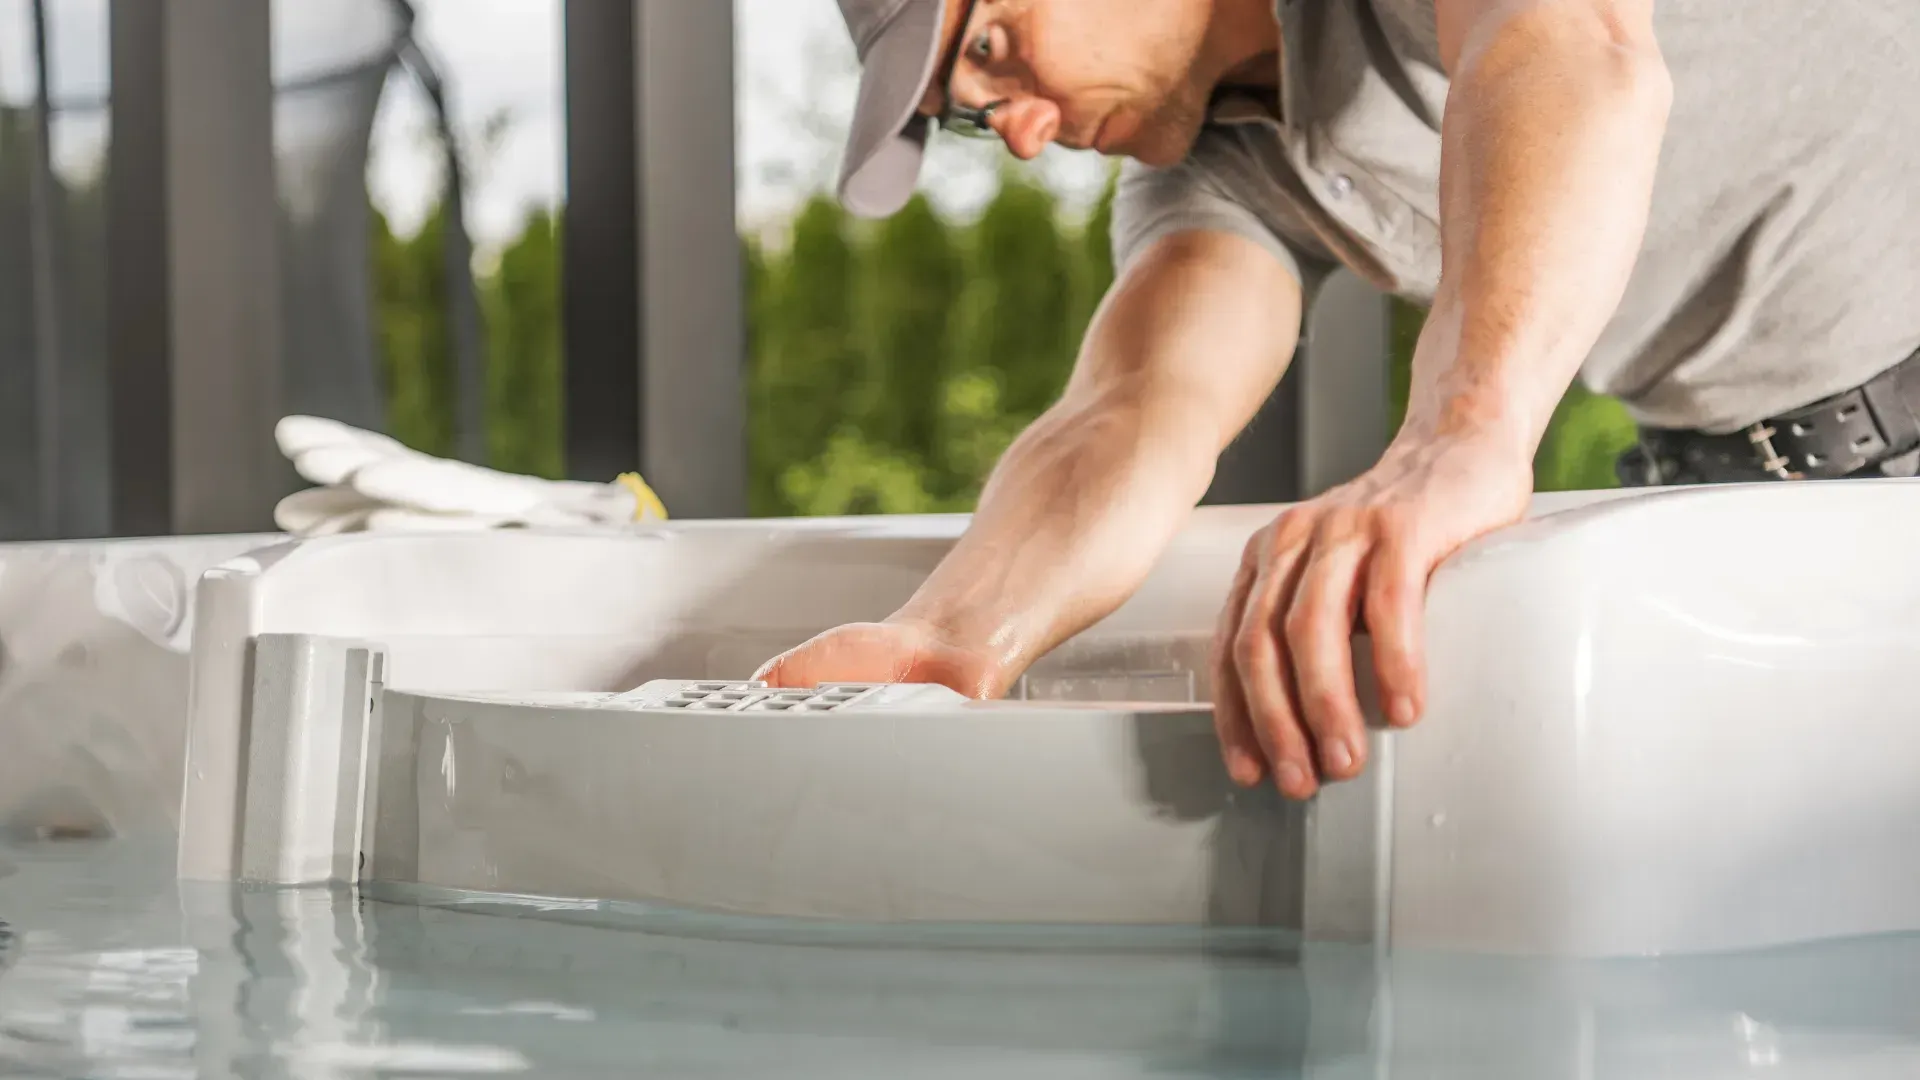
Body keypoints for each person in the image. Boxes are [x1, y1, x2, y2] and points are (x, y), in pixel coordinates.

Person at [756, 0, 1920, 801]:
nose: (1018, 134)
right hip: (1752, 496)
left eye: (998, 42)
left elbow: (1563, 51)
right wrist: (945, 641)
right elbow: (1132, 410)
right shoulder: (1223, 163)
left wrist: (1458, 433)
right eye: (970, 109)